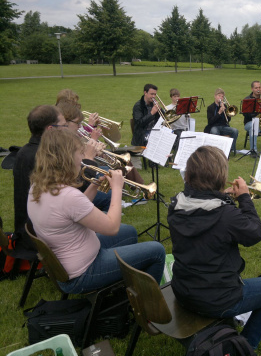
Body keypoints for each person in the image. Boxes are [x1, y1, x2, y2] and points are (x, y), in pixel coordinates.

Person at [167, 146, 261, 350]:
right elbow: (255, 233)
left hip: (183, 290)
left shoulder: (176, 204)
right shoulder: (226, 216)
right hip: (216, 299)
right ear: (221, 176)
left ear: (188, 175)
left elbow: (204, 207)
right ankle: (244, 347)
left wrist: (220, 196)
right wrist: (243, 198)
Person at [27, 128, 165, 293]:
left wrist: (93, 186)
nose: (82, 159)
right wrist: (117, 189)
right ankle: (147, 307)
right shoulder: (68, 196)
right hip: (84, 272)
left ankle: (127, 284)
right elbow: (112, 227)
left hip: (74, 256)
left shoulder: (38, 186)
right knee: (157, 251)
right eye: (80, 153)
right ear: (67, 158)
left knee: (130, 232)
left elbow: (74, 211)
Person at [13, 105, 67, 250]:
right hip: (40, 235)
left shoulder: (25, 151)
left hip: (28, 229)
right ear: (50, 129)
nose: (66, 129)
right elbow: (70, 194)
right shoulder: (44, 157)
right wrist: (88, 160)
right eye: (63, 126)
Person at [204, 88, 238, 154]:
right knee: (214, 131)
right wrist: (219, 112)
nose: (221, 98)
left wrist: (227, 113)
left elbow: (228, 120)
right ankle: (218, 151)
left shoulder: (224, 106)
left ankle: (229, 149)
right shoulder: (210, 107)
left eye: (222, 96)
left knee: (235, 131)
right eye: (219, 96)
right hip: (214, 126)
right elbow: (210, 122)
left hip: (223, 126)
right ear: (215, 96)